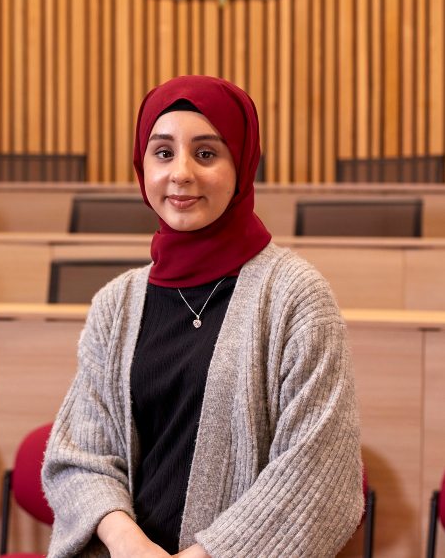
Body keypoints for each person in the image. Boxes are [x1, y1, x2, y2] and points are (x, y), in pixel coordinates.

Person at [41, 75, 363, 558]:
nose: (181, 173)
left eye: (206, 154)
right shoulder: (116, 302)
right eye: (163, 152)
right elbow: (79, 457)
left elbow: (316, 473)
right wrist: (128, 544)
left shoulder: (297, 296)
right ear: (141, 165)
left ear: (242, 165)